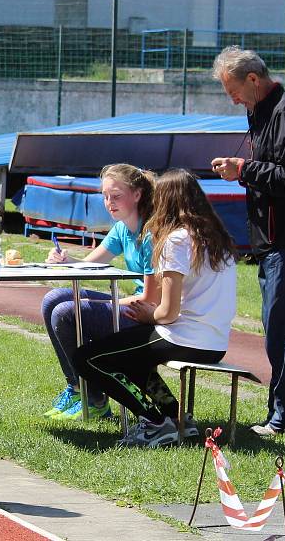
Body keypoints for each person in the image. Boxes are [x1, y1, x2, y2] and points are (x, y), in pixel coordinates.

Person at [72, 169, 238, 447]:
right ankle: (176, 417)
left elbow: (168, 313)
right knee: (131, 355)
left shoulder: (176, 240)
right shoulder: (218, 241)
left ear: (166, 201)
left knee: (87, 359)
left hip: (184, 337)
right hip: (216, 342)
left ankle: (153, 423)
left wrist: (150, 314)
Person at [210, 46, 285, 437]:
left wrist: (244, 169)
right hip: (273, 241)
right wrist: (244, 170)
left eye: (234, 90)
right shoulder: (261, 112)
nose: (232, 98)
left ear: (254, 80)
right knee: (277, 328)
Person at [41, 164, 181, 424]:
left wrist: (95, 302)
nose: (108, 203)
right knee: (53, 298)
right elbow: (90, 265)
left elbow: (151, 300)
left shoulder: (150, 233)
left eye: (115, 196)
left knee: (65, 311)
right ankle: (76, 389)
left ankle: (94, 399)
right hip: (136, 303)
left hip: (149, 311)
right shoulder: (121, 228)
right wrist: (64, 259)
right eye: (105, 196)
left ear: (137, 194)